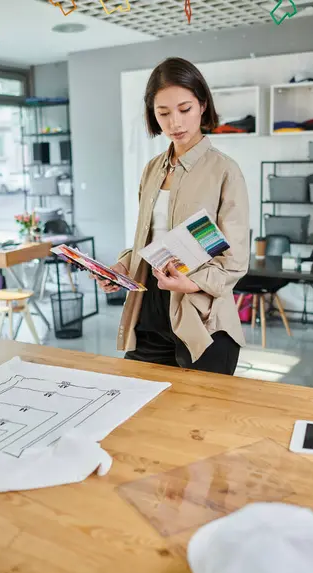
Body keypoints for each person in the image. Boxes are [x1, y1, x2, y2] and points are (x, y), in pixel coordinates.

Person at [96, 57, 249, 375]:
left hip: (200, 315)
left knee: (199, 418)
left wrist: (191, 283)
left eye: (184, 109)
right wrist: (124, 264)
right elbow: (148, 237)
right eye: (162, 113)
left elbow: (234, 261)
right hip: (149, 307)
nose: (174, 123)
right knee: (140, 407)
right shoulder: (152, 169)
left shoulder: (225, 170)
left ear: (203, 105)